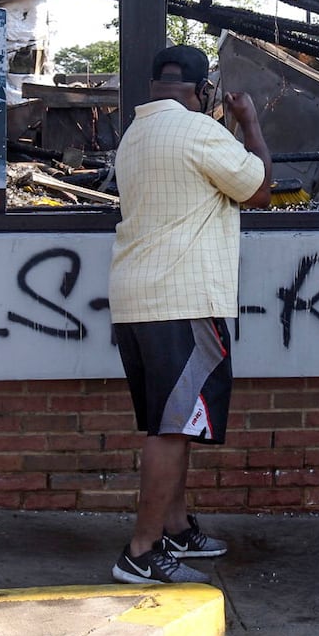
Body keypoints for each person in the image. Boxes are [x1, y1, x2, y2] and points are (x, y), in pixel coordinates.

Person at [107, 44, 272, 585]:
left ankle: (175, 529)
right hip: (184, 302)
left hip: (138, 302)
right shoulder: (199, 131)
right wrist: (248, 122)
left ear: (157, 84)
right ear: (201, 91)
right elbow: (259, 189)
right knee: (172, 429)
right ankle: (141, 549)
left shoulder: (134, 135)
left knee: (169, 423)